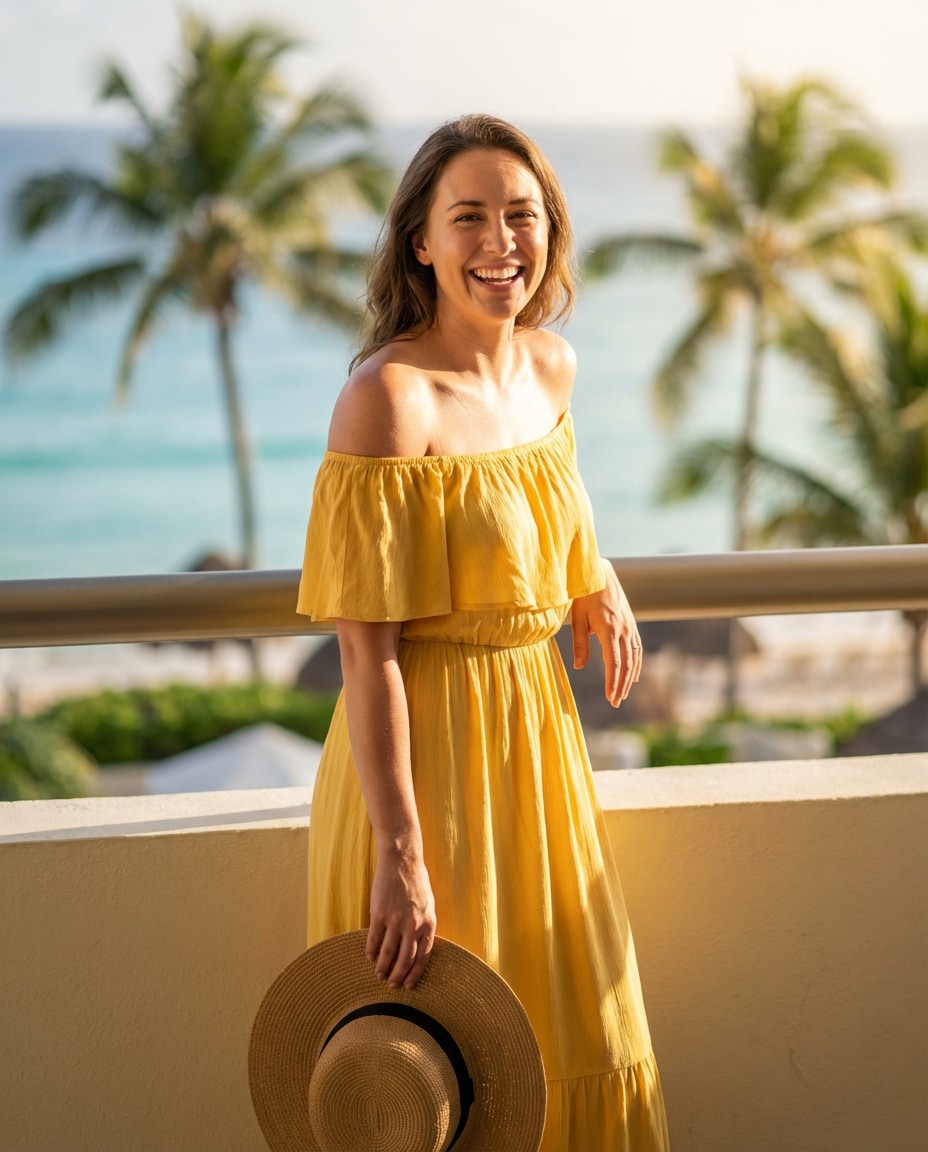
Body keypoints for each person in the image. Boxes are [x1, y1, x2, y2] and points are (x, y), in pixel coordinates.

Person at [297, 113, 669, 1150]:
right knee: (443, 1074)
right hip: (425, 769)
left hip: (537, 752)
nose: (500, 240)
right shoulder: (387, 399)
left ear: (552, 231)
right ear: (419, 240)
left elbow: (543, 499)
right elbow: (364, 655)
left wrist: (591, 576)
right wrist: (401, 852)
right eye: (469, 217)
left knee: (580, 1026)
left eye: (523, 214)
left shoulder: (550, 369)